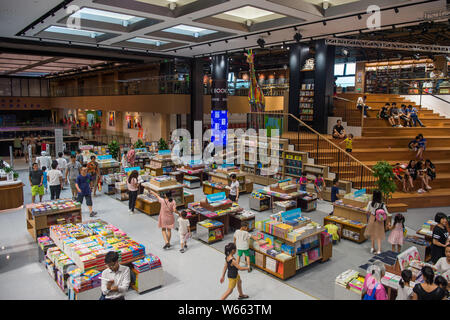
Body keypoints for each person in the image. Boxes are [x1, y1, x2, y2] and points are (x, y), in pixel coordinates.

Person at [365, 190, 388, 254]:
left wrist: (371, 213)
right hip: (379, 220)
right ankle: (379, 250)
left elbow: (366, 211)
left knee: (372, 233)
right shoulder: (382, 204)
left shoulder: (370, 203)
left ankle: (372, 248)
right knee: (379, 235)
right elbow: (386, 213)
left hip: (372, 218)